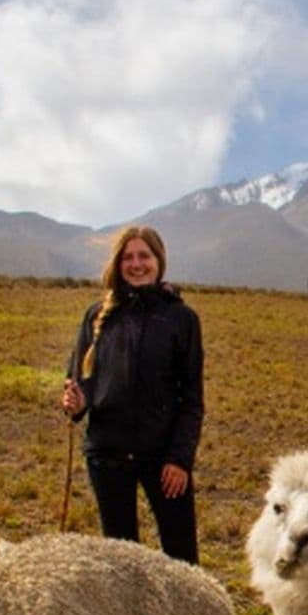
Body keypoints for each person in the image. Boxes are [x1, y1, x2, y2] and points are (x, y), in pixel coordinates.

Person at [59, 225, 204, 564]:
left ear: (159, 261)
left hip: (164, 459)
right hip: (107, 455)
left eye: (144, 256)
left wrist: (179, 459)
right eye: (128, 257)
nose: (136, 264)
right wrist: (75, 403)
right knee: (122, 563)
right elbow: (80, 382)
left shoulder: (181, 318)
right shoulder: (97, 316)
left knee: (182, 559)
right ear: (118, 263)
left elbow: (192, 399)